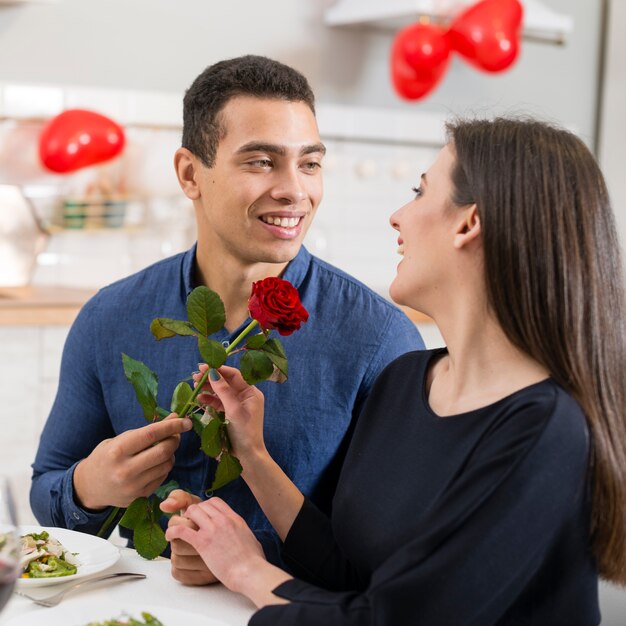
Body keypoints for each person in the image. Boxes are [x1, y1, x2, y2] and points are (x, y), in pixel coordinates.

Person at [164, 117, 626, 625]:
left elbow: (389, 619)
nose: (397, 216)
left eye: (419, 191)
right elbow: (352, 575)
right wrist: (251, 454)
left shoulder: (547, 430)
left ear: (468, 223)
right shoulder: (406, 380)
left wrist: (248, 570)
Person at [29, 55, 424, 577]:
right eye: (261, 161)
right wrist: (90, 487)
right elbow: (47, 492)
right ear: (191, 174)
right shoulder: (109, 318)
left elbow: (391, 549)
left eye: (309, 163)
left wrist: (249, 560)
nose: (295, 190)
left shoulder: (382, 338)